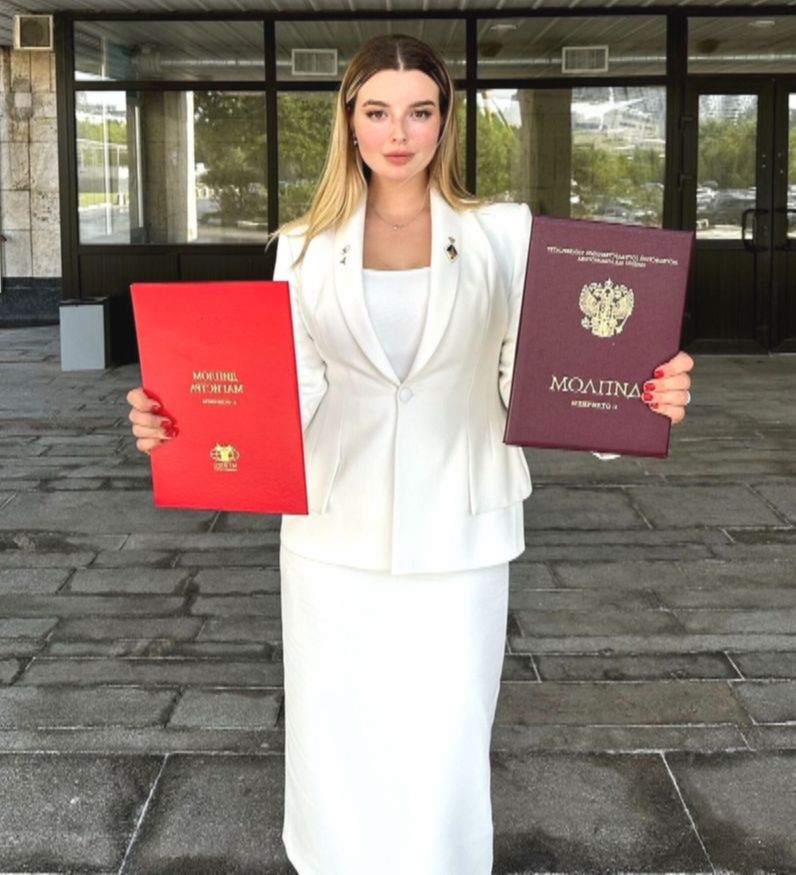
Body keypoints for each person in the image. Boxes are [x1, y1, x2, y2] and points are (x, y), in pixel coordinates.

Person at [126, 34, 694, 875]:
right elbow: (287, 392)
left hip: (461, 533)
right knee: (336, 734)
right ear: (349, 121)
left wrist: (638, 398)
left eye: (419, 111)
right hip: (334, 535)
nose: (399, 133)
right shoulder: (302, 244)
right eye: (379, 111)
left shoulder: (503, 233)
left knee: (445, 739)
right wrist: (177, 423)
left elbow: (532, 376)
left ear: (445, 121)